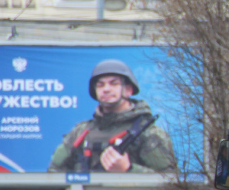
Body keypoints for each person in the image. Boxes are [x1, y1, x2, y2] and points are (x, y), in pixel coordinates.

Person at [48, 59, 177, 173]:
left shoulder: (149, 133)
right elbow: (54, 171)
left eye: (114, 83)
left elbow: (169, 181)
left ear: (128, 90)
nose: (106, 89)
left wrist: (129, 170)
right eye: (100, 85)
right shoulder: (80, 132)